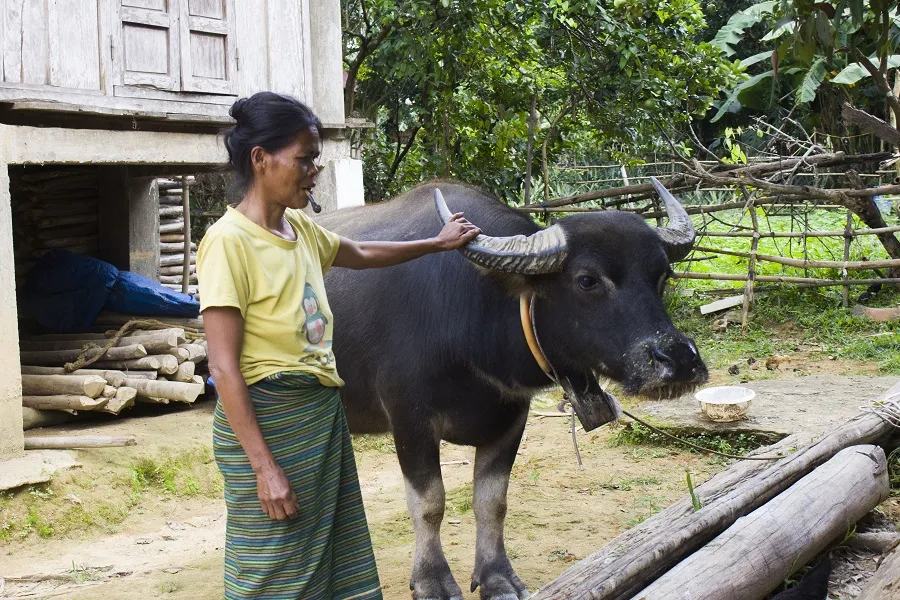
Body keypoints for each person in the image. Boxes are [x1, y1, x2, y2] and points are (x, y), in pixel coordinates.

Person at [197, 91, 480, 600]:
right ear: (261, 159)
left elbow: (364, 250)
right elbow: (223, 367)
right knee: (273, 568)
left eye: (315, 160)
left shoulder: (299, 227)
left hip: (319, 416)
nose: (313, 171)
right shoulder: (227, 242)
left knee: (330, 560)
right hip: (270, 420)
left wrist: (436, 243)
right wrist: (264, 467)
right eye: (304, 159)